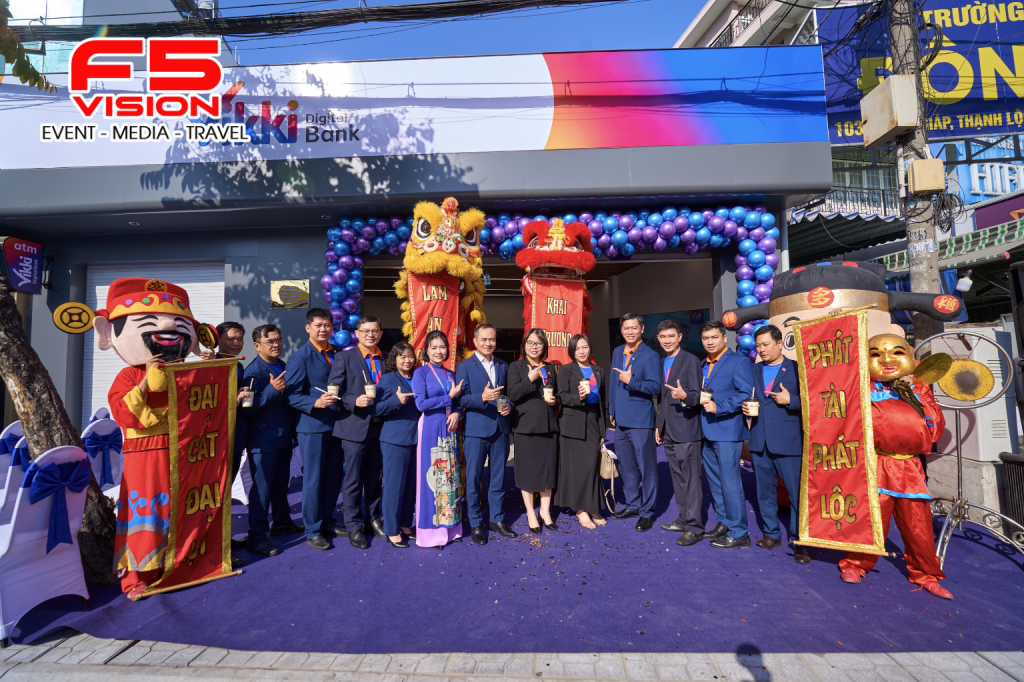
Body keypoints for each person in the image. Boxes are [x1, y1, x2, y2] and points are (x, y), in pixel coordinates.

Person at [838, 334, 952, 600]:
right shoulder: (862, 387)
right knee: (871, 520)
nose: (886, 359)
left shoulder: (918, 390)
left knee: (918, 526)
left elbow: (934, 430)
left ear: (911, 358)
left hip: (909, 467)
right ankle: (855, 564)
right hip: (876, 464)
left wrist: (917, 391)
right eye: (875, 354)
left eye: (897, 353)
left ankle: (926, 574)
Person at [742, 325, 809, 564]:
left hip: (789, 441)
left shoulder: (798, 369)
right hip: (759, 440)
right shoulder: (752, 369)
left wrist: (792, 400)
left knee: (796, 494)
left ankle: (801, 540)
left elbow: (815, 400)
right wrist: (745, 407)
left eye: (766, 344)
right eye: (758, 345)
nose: (761, 349)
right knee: (764, 491)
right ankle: (771, 533)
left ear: (780, 343)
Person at [241, 324, 302, 556]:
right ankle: (256, 537)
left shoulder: (281, 365)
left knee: (280, 485)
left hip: (283, 439)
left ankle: (282, 522)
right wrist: (270, 391)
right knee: (262, 491)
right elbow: (247, 408)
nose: (276, 344)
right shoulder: (253, 373)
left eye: (278, 340)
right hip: (263, 442)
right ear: (257, 346)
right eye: (270, 341)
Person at [284, 308, 341, 552]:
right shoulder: (300, 357)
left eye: (327, 325)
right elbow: (289, 395)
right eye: (318, 325)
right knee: (314, 480)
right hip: (313, 426)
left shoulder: (336, 353)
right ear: (308, 328)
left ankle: (327, 521)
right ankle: (313, 530)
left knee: (334, 477)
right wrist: (314, 402)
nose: (323, 329)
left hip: (337, 425)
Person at [455, 324, 517, 545]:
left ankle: (496, 519)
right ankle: (475, 522)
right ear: (475, 341)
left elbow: (508, 395)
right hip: (475, 431)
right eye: (484, 339)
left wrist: (508, 406)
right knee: (473, 479)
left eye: (491, 339)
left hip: (500, 429)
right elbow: (460, 399)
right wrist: (482, 398)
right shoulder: (464, 366)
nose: (488, 343)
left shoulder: (503, 365)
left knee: (498, 478)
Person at [328, 315, 386, 550]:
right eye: (366, 331)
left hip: (381, 427)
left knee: (375, 478)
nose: (370, 335)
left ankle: (373, 519)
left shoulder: (386, 358)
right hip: (354, 427)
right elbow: (333, 389)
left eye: (375, 331)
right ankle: (353, 525)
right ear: (357, 334)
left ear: (380, 334)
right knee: (353, 479)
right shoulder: (345, 357)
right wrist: (353, 400)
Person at [698, 320, 755, 549]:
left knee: (730, 483)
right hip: (706, 430)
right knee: (714, 481)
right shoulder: (703, 364)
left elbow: (746, 392)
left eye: (714, 337)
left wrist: (719, 406)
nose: (710, 342)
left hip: (728, 431)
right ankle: (724, 523)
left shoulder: (738, 361)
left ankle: (740, 533)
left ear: (724, 338)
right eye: (705, 338)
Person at [608, 313, 661, 531]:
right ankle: (632, 505)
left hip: (640, 420)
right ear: (621, 330)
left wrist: (632, 381)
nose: (630, 332)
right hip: (620, 420)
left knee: (646, 468)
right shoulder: (617, 352)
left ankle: (647, 512)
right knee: (626, 466)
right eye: (626, 328)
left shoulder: (650, 355)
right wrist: (611, 409)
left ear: (642, 329)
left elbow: (655, 387)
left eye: (634, 328)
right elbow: (613, 382)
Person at [411, 331, 465, 548]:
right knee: (433, 477)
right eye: (433, 347)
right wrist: (448, 397)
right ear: (427, 350)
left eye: (442, 347)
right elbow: (421, 405)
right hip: (431, 427)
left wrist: (457, 414)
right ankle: (431, 532)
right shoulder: (420, 373)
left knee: (450, 478)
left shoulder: (451, 374)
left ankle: (451, 528)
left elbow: (459, 404)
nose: (438, 351)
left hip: (450, 428)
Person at [653, 320, 704, 547]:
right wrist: (660, 426)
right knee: (677, 477)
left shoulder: (691, 360)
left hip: (687, 429)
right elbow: (663, 399)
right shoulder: (662, 361)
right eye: (663, 337)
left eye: (671, 336)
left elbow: (697, 395)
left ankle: (695, 527)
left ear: (680, 337)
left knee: (691, 480)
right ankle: (683, 518)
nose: (667, 340)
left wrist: (685, 396)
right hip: (669, 430)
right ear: (658, 338)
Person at [507, 328, 560, 533]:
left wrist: (555, 401)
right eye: (530, 343)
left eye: (538, 343)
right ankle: (530, 512)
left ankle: (545, 511)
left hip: (548, 425)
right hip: (525, 426)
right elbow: (512, 394)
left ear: (544, 346)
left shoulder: (550, 368)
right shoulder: (515, 367)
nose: (534, 346)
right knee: (527, 471)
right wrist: (529, 379)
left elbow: (557, 394)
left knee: (548, 469)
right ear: (524, 345)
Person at [553, 334, 608, 529]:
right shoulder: (566, 370)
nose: (582, 351)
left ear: (590, 348)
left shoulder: (599, 371)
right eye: (577, 348)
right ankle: (581, 510)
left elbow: (602, 403)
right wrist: (579, 397)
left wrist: (603, 430)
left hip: (592, 423)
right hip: (572, 424)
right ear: (572, 351)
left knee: (591, 467)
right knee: (576, 469)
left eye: (585, 347)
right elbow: (561, 396)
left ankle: (592, 507)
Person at [374, 342, 420, 548]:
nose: (407, 360)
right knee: (394, 486)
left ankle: (405, 523)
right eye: (402, 356)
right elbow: (376, 409)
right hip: (395, 439)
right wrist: (396, 400)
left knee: (410, 486)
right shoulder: (388, 379)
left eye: (410, 356)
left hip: (416, 438)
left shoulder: (418, 377)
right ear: (394, 359)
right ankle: (391, 529)